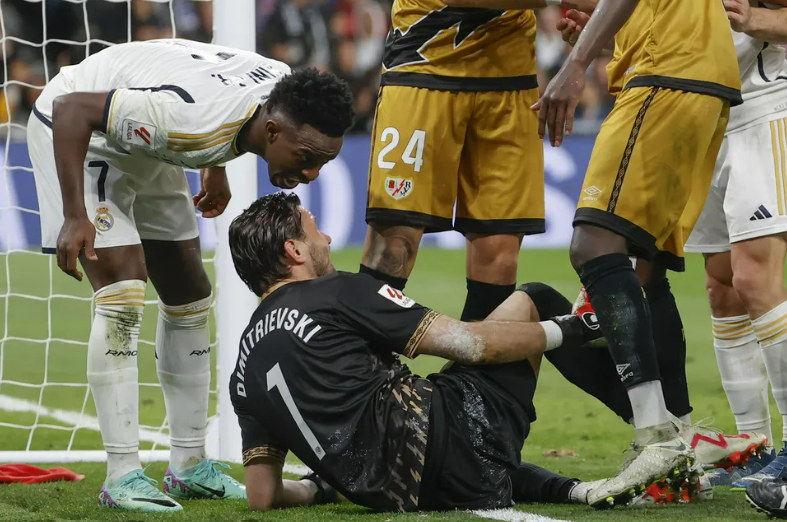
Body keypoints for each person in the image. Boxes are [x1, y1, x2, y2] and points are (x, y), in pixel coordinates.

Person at [26, 38, 354, 512]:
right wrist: (75, 214)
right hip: (84, 130)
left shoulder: (279, 93)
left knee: (190, 293)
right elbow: (71, 109)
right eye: (307, 157)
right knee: (124, 288)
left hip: (146, 129)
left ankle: (189, 466)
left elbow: (210, 95)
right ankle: (121, 476)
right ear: (273, 130)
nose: (312, 173)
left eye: (323, 161)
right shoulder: (191, 124)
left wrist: (213, 163)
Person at [227, 192, 604, 512]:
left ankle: (567, 489)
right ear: (294, 250)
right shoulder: (336, 291)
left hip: (406, 495)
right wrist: (570, 329)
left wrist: (319, 486)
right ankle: (650, 422)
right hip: (451, 440)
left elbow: (263, 495)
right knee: (534, 300)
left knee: (446, 417)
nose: (327, 238)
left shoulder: (243, 369)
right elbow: (471, 345)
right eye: (315, 232)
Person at [535, 0, 742, 508]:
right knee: (645, 268)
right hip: (703, 75)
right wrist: (606, 33)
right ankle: (684, 437)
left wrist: (576, 61)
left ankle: (656, 437)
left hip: (669, 71)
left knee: (594, 243)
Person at [360, 0, 597, 333]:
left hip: (509, 78)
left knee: (498, 260)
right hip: (425, 64)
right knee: (394, 247)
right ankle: (362, 371)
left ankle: (475, 384)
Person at [683, 0, 787, 489]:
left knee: (754, 278)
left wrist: (755, 20)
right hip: (706, 116)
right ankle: (753, 447)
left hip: (767, 105)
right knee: (721, 285)